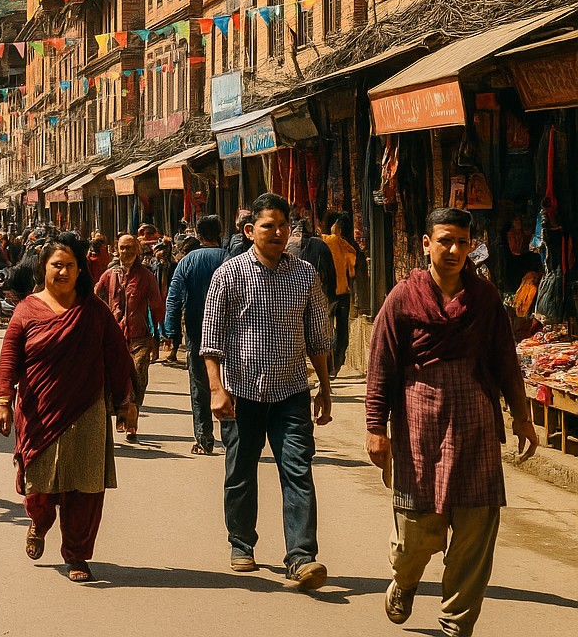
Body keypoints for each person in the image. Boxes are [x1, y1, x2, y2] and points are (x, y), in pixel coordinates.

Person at [366, 207, 539, 635]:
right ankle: (404, 581)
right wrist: (375, 428)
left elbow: (504, 362)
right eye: (445, 240)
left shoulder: (484, 299)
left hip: (475, 423)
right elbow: (381, 366)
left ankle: (456, 622)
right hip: (418, 424)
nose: (455, 250)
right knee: (415, 533)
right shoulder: (403, 299)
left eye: (463, 242)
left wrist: (522, 417)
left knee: (476, 530)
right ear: (427, 244)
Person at [201, 192, 333, 590]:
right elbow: (210, 340)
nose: (277, 233)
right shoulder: (229, 275)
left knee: (297, 470)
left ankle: (301, 557)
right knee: (241, 471)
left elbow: (319, 338)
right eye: (268, 226)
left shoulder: (305, 275)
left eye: (283, 226)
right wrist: (216, 390)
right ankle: (241, 543)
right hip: (241, 393)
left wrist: (324, 388)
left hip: (291, 391)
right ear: (249, 230)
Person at [0, 235, 137, 582]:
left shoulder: (94, 311)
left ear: (79, 270)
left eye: (70, 265)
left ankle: (77, 555)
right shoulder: (27, 310)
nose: (63, 271)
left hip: (88, 411)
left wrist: (126, 403)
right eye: (57, 265)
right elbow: (9, 358)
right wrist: (3, 401)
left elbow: (117, 358)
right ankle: (40, 523)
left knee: (85, 487)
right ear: (44, 268)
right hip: (38, 412)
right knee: (38, 485)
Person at [163, 216, 226, 456]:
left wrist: (170, 331)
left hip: (197, 332)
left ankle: (204, 439)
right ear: (220, 232)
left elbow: (174, 297)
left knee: (199, 387)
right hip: (227, 334)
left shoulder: (188, 261)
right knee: (227, 384)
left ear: (199, 236)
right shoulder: (230, 259)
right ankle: (231, 437)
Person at [95, 234, 165, 426]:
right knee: (115, 378)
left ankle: (132, 412)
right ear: (116, 249)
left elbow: (157, 305)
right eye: (122, 248)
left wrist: (160, 335)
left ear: (137, 250)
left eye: (129, 248)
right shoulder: (109, 275)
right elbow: (94, 296)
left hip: (140, 337)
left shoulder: (146, 276)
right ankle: (123, 415)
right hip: (114, 338)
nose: (126, 252)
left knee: (138, 377)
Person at [321, 212, 359, 378]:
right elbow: (352, 264)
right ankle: (335, 366)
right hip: (341, 291)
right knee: (341, 332)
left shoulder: (322, 241)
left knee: (327, 330)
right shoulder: (340, 242)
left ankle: (328, 367)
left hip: (326, 293)